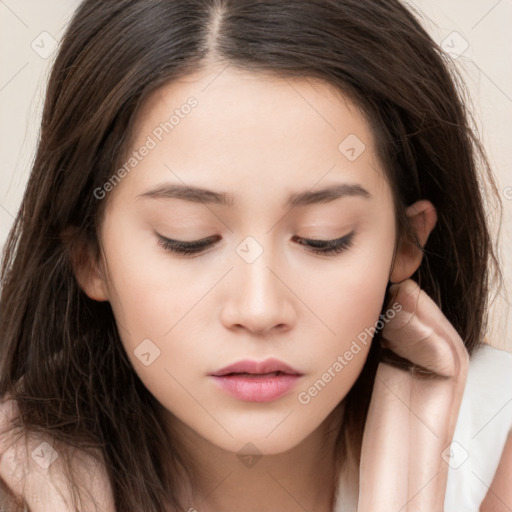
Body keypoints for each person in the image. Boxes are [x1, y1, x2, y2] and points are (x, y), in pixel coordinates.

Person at [0, 0, 510, 510]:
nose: (259, 309)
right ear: (91, 256)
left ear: (406, 242)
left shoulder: (494, 446)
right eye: (189, 238)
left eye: (323, 237)